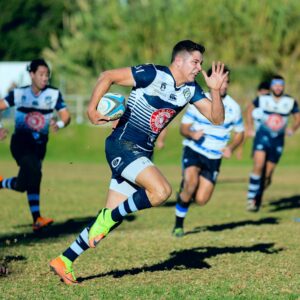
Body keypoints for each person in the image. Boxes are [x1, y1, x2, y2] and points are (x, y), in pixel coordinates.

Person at [49, 40, 228, 285]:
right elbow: (108, 75)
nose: (199, 68)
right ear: (178, 60)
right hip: (122, 145)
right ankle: (107, 219)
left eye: (201, 63)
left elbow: (217, 119)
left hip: (142, 152)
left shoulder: (190, 89)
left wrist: (215, 91)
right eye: (195, 62)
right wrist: (91, 109)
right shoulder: (152, 73)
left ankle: (65, 260)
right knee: (161, 191)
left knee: (111, 218)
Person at [172, 66, 244, 237]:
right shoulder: (199, 100)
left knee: (202, 200)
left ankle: (184, 195)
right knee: (190, 184)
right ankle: (178, 225)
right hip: (194, 149)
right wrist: (191, 134)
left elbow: (240, 132)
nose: (223, 85)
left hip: (214, 156)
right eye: (220, 80)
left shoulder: (234, 107)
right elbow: (183, 128)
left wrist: (231, 147)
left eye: (226, 81)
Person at [0, 59, 71, 231]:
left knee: (30, 180)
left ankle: (37, 219)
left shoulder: (53, 94)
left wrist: (59, 124)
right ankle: (37, 218)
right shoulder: (18, 93)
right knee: (32, 170)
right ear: (31, 74)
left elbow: (66, 116)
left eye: (47, 75)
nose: (45, 78)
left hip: (40, 145)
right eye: (41, 74)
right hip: (21, 143)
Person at [246, 75, 300, 212]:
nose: (278, 88)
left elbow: (297, 118)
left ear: (283, 86)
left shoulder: (290, 101)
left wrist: (292, 129)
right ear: (271, 86)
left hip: (277, 140)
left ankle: (257, 196)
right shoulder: (263, 99)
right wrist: (250, 127)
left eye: (280, 85)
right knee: (258, 165)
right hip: (262, 136)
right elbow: (249, 109)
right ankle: (251, 198)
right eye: (275, 85)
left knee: (268, 175)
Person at [235, 80, 270, 160]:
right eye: (262, 91)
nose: (264, 94)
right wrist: (250, 125)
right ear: (259, 92)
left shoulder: (269, 102)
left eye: (266, 92)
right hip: (257, 129)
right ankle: (241, 150)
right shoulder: (258, 101)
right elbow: (249, 110)